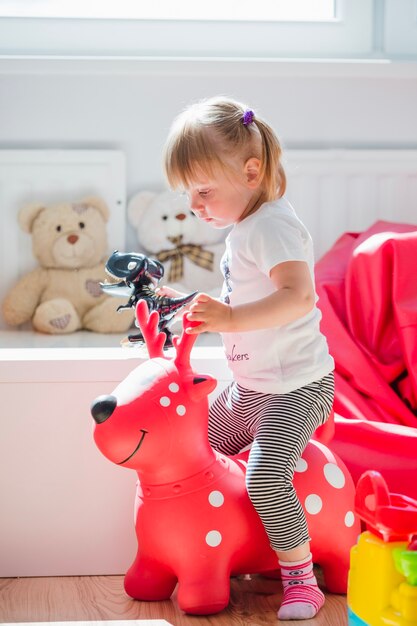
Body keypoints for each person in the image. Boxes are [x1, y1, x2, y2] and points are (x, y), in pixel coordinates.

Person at [161, 96, 335, 621]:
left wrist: (230, 320)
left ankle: (300, 578)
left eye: (204, 190)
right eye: (189, 194)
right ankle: (211, 545)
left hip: (298, 388)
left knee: (264, 474)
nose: (195, 205)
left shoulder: (274, 226)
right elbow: (244, 299)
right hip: (253, 386)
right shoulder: (243, 231)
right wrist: (197, 308)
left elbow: (299, 297)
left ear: (251, 171)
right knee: (191, 444)